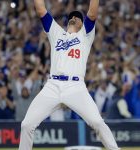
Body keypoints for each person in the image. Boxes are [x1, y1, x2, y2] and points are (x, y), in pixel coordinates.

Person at [18, 0, 120, 150]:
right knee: (26, 124)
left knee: (97, 122)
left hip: (75, 87)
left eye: (78, 17)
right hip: (52, 86)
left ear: (81, 23)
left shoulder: (85, 35)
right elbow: (40, 9)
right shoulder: (56, 33)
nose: (74, 17)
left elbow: (92, 12)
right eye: (72, 16)